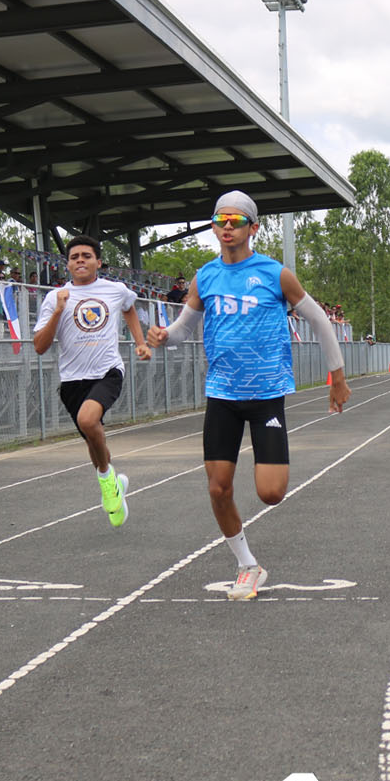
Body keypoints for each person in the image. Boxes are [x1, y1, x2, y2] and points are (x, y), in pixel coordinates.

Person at [147, 191, 351, 599]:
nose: (227, 226)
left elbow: (320, 322)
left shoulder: (276, 274)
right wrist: (164, 337)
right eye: (220, 220)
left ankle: (251, 557)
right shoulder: (205, 277)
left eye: (235, 220)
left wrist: (338, 377)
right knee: (218, 488)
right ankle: (247, 565)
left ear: (252, 228)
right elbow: (184, 329)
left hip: (265, 395)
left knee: (271, 493)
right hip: (222, 394)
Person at [34, 235, 152, 527]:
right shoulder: (55, 298)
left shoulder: (114, 290)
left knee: (89, 421)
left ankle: (104, 480)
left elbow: (129, 308)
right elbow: (39, 345)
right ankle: (112, 480)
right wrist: (59, 311)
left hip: (107, 371)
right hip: (73, 379)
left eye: (86, 256)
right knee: (93, 437)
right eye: (75, 257)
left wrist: (140, 342)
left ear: (98, 262)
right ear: (68, 265)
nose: (80, 260)